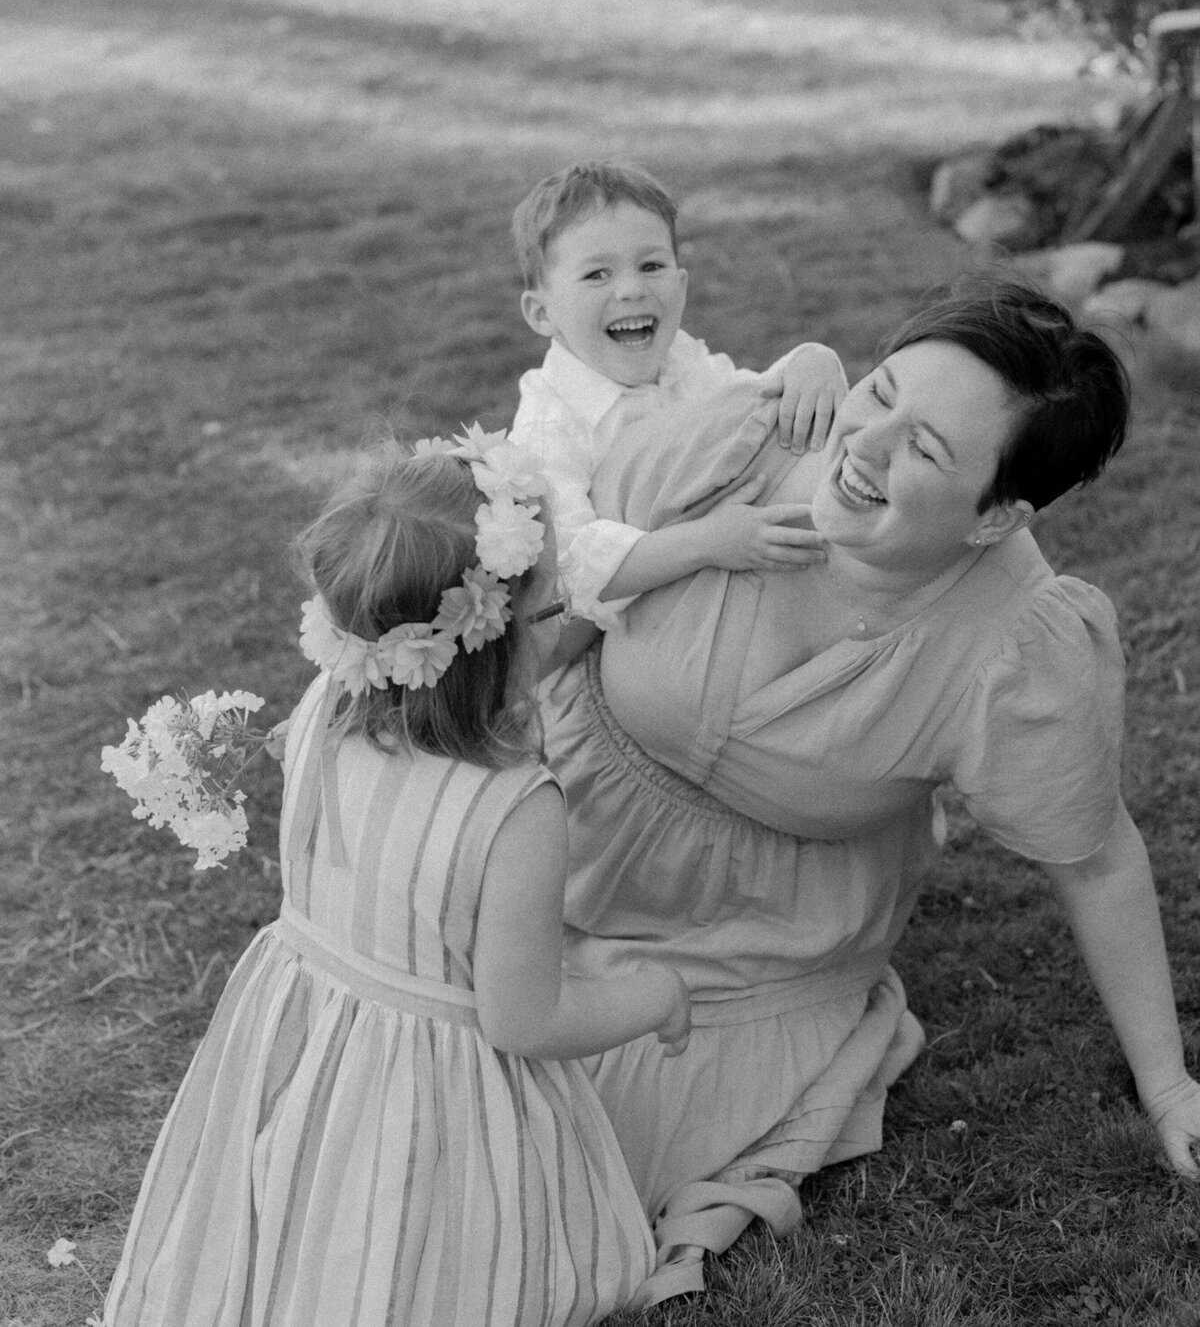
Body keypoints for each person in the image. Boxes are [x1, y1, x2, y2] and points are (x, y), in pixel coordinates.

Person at [538, 275, 1200, 1306]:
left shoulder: (1016, 645)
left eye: (927, 450)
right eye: (883, 391)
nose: (868, 444)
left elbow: (1096, 854)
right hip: (549, 820)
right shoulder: (752, 439)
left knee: (556, 1156)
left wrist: (1168, 1086)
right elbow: (572, 583)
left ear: (997, 517)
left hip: (747, 938)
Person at [103, 430, 689, 1327]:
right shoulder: (517, 810)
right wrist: (656, 994)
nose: (570, 624)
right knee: (419, 1244)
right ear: (491, 639)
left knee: (308, 1195)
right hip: (433, 1097)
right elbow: (524, 1017)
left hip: (301, 1037)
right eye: (552, 611)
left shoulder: (321, 711)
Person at [510, 160, 844, 625]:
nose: (631, 289)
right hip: (620, 637)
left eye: (651, 266)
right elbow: (570, 569)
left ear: (681, 285)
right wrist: (707, 541)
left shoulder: (682, 363)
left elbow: (750, 403)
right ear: (542, 313)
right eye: (597, 275)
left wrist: (811, 360)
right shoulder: (550, 424)